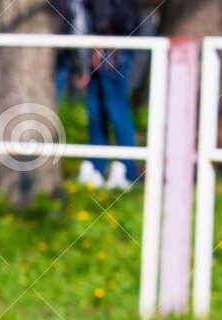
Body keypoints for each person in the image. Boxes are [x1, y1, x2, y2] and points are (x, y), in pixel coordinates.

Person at [79, 0, 142, 189]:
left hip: (113, 48)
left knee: (117, 110)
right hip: (99, 46)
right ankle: (96, 168)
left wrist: (103, 41)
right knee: (96, 112)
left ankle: (128, 171)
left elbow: (120, 14)